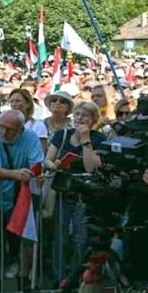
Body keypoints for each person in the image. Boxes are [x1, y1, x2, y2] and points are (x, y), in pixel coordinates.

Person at [44, 101, 104, 283]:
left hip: (85, 195)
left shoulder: (99, 138)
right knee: (60, 237)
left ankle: (76, 278)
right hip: (63, 193)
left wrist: (85, 140)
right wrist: (53, 165)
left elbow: (92, 167)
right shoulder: (62, 134)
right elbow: (47, 159)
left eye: (84, 115)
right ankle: (59, 276)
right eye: (77, 114)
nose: (79, 118)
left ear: (93, 120)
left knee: (81, 238)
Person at [0, 110, 44, 287]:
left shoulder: (31, 137)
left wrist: (32, 173)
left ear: (21, 129)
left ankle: (24, 280)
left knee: (24, 239)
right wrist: (17, 174)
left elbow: (36, 164)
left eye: (9, 129)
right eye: (1, 127)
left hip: (21, 197)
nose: (4, 132)